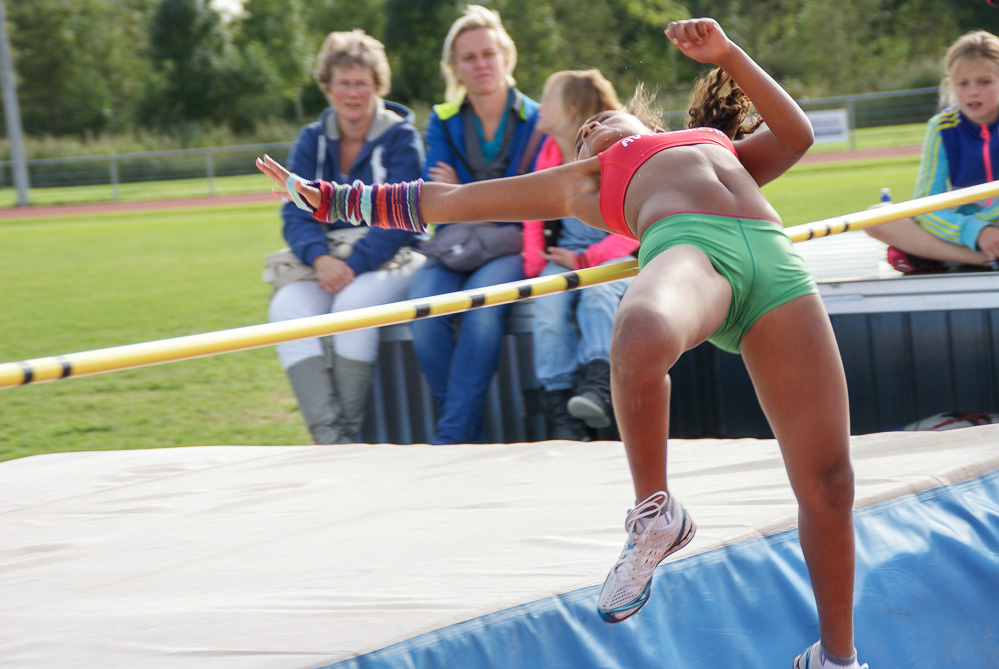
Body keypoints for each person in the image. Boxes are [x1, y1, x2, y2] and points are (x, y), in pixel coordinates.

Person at [258, 18, 866, 668]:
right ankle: (655, 512)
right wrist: (336, 199)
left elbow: (795, 134)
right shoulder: (586, 179)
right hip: (691, 253)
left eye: (598, 122)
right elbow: (450, 198)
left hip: (776, 269)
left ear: (637, 119)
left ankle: (835, 656)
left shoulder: (716, 143)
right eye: (581, 134)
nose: (588, 131)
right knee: (636, 332)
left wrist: (727, 54)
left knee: (829, 482)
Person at [265, 30, 426, 445]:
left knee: (353, 305)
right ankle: (330, 438)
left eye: (362, 83)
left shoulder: (401, 137)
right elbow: (294, 209)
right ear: (327, 86)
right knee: (286, 308)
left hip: (392, 256)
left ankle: (348, 432)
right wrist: (320, 258)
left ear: (377, 86)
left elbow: (404, 216)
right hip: (327, 259)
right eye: (343, 83)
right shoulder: (310, 140)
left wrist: (352, 264)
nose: (352, 93)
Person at [407, 4, 542, 444]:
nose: (481, 64)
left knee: (481, 313)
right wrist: (494, 195)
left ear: (507, 56)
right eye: (469, 58)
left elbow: (535, 196)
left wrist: (463, 188)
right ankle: (465, 432)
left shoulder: (537, 118)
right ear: (455, 69)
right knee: (423, 312)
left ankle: (450, 438)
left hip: (513, 244)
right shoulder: (443, 120)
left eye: (488, 53)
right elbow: (438, 201)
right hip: (455, 242)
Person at [524, 69, 639, 440]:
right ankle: (560, 408)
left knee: (598, 293)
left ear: (572, 111)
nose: (538, 106)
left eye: (547, 99)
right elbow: (531, 210)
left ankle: (597, 384)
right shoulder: (548, 152)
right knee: (546, 305)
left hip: (610, 252)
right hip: (566, 254)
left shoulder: (615, 152)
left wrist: (585, 262)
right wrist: (534, 263)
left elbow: (631, 227)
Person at [865, 29, 999, 274]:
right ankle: (980, 259)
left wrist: (988, 228)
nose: (973, 92)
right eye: (963, 83)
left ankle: (950, 255)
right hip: (964, 231)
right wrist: (976, 232)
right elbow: (927, 205)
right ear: (950, 85)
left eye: (985, 82)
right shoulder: (941, 128)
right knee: (876, 217)